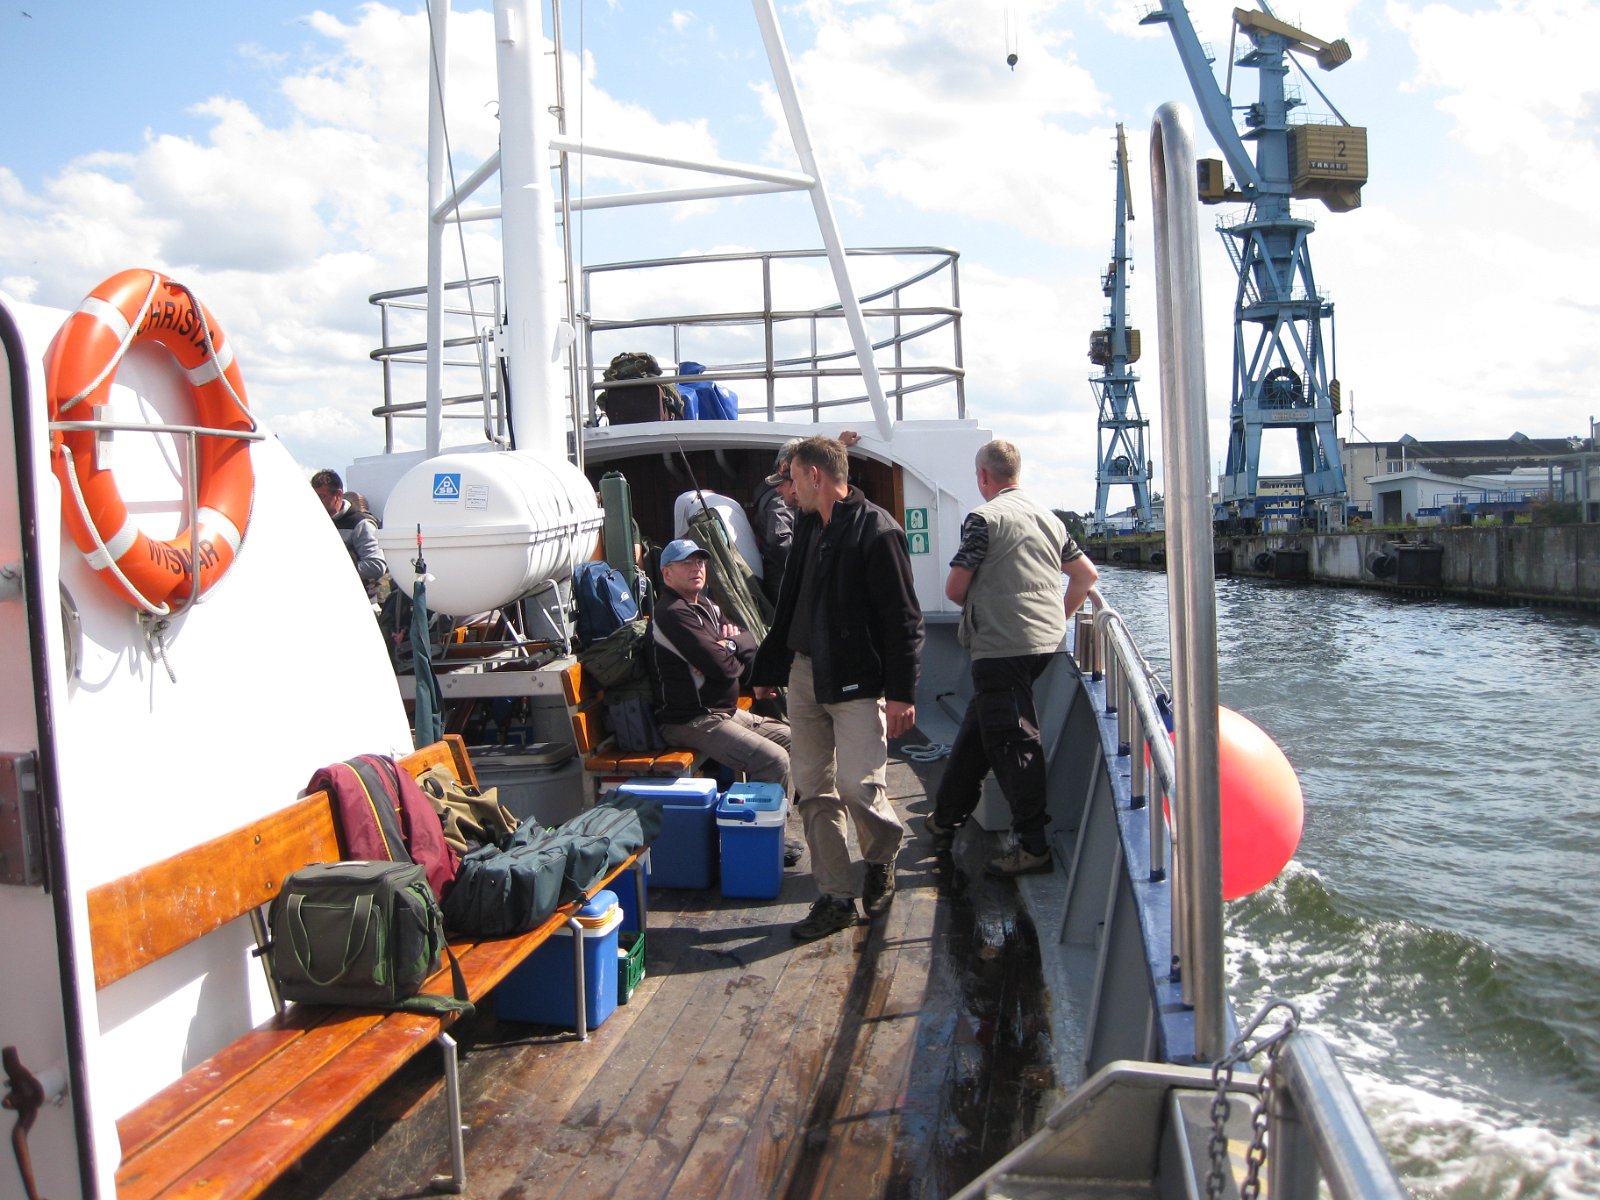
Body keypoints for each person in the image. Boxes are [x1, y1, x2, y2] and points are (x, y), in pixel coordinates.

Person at [752, 436, 923, 940]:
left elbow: (904, 621)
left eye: (792, 479)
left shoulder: (878, 531)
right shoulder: (809, 526)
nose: (787, 490)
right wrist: (769, 668)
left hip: (857, 680)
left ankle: (880, 856)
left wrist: (902, 693)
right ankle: (835, 897)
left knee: (857, 786)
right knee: (813, 789)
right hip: (805, 675)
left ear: (815, 477)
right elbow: (790, 605)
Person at [926, 440, 1099, 876]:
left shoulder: (984, 519)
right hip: (1045, 645)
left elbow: (955, 589)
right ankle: (945, 817)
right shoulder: (1049, 518)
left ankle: (1033, 845)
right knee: (980, 729)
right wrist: (1057, 618)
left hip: (1001, 648)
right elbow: (1085, 576)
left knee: (1013, 743)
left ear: (984, 476)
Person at [649, 538, 803, 865]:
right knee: (774, 760)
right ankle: (766, 842)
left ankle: (774, 824)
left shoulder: (705, 605)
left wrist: (728, 645)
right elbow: (722, 667)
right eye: (686, 563)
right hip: (691, 720)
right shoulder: (672, 613)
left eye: (700, 562)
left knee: (795, 739)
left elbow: (749, 641)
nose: (696, 568)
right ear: (667, 573)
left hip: (724, 711)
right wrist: (725, 650)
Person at [311, 469, 386, 602]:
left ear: (338, 495)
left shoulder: (361, 524)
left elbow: (376, 565)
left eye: (321, 497)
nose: (317, 502)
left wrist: (335, 570)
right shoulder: (316, 523)